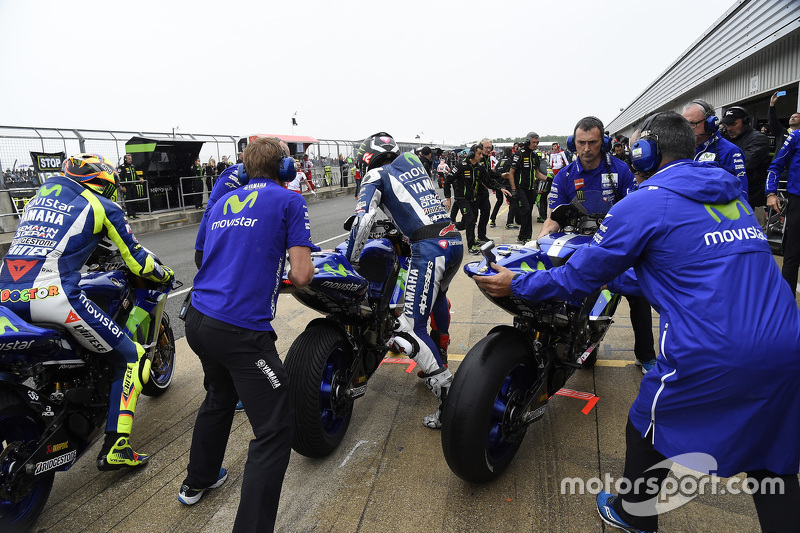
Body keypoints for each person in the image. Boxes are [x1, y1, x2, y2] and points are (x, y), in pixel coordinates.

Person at [475, 111, 800, 533]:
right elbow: (687, 265)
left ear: (648, 151)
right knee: (771, 462)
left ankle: (633, 514)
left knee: (645, 424)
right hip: (784, 342)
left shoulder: (646, 200)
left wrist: (518, 284)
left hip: (713, 347)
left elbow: (576, 279)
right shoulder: (732, 197)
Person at [0, 153, 174, 470]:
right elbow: (137, 261)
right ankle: (116, 447)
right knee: (132, 357)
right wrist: (164, 275)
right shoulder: (102, 206)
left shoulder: (38, 199)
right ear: (101, 183)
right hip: (52, 297)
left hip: (6, 296)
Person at [180, 137, 315, 532]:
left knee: (220, 395)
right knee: (274, 430)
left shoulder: (223, 201)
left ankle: (197, 480)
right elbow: (303, 274)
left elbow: (203, 255)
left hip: (198, 320)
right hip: (240, 331)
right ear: (285, 169)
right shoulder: (290, 201)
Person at [348, 132, 463, 429]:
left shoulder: (375, 173)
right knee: (436, 299)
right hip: (452, 241)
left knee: (407, 328)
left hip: (428, 248)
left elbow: (363, 218)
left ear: (367, 157)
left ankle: (449, 402)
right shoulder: (412, 162)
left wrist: (351, 259)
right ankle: (440, 355)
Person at [194, 139, 293, 269]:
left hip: (246, 250)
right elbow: (211, 214)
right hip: (214, 251)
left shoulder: (272, 181)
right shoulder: (235, 175)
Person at [681, 99, 748, 199]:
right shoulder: (681, 150)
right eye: (685, 125)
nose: (688, 129)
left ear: (710, 124)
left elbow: (741, 192)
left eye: (693, 123)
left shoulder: (730, 151)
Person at [721, 106, 770, 225]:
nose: (729, 128)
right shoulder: (728, 140)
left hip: (752, 200)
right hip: (731, 198)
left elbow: (744, 164)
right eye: (727, 125)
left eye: (733, 124)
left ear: (746, 122)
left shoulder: (758, 139)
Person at [766, 128, 800, 294]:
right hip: (798, 201)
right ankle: (787, 302)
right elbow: (776, 165)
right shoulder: (796, 136)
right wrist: (771, 193)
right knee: (792, 254)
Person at [443, 143, 488, 254]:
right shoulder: (460, 166)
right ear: (472, 154)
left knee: (466, 224)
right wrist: (448, 199)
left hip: (473, 199)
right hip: (461, 198)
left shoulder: (479, 167)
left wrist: (500, 187)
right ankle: (471, 246)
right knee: (471, 220)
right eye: (479, 154)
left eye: (482, 154)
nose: (481, 156)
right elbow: (447, 180)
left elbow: (489, 179)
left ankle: (449, 227)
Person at [505, 132, 548, 243]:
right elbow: (511, 173)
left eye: (537, 142)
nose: (535, 145)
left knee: (528, 213)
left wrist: (550, 179)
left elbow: (537, 173)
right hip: (520, 188)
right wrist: (514, 189)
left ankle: (524, 237)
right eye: (534, 142)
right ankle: (524, 237)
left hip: (530, 189)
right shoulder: (519, 154)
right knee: (526, 210)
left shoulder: (534, 156)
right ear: (528, 141)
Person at [490, 147, 514, 228]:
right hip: (506, 184)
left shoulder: (499, 161)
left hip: (498, 184)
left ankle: (492, 220)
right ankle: (509, 223)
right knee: (513, 202)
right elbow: (511, 173)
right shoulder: (510, 161)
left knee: (499, 201)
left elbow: (494, 170)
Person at [117, 153, 144, 219]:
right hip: (127, 187)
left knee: (134, 200)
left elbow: (135, 175)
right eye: (129, 159)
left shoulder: (132, 166)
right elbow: (119, 178)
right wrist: (122, 186)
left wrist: (140, 179)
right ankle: (130, 215)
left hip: (133, 186)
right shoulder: (122, 167)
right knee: (128, 201)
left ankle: (134, 214)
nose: (130, 160)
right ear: (125, 159)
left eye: (131, 159)